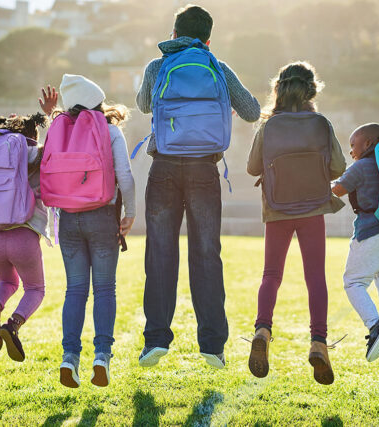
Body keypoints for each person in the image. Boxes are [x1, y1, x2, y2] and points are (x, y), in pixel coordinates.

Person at [135, 4, 261, 369]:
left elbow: (144, 105)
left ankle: (156, 340)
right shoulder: (218, 67)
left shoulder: (158, 66)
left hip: (164, 168)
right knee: (206, 254)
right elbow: (252, 111)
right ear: (208, 38)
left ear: (173, 34)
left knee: (160, 253)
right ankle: (212, 346)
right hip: (205, 170)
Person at [246, 61, 346, 384]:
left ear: (279, 89)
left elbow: (251, 167)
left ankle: (263, 329)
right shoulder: (321, 124)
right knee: (315, 277)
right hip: (313, 209)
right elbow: (338, 167)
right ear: (311, 90)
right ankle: (318, 342)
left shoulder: (269, 126)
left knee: (271, 274)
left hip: (277, 209)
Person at [39, 77, 136, 387]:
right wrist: (130, 212)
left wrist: (50, 114)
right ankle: (101, 357)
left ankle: (69, 358)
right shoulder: (109, 130)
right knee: (105, 289)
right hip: (102, 216)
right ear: (99, 100)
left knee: (75, 290)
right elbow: (125, 176)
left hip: (68, 219)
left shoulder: (59, 128)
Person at [332, 123, 379, 367]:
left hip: (371, 233)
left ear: (367, 144)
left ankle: (375, 326)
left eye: (353, 145)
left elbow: (338, 190)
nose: (351, 151)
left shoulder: (363, 166)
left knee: (353, 282)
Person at [0, 112, 50, 363]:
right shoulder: (34, 153)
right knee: (35, 288)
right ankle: (12, 325)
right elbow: (55, 145)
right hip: (24, 234)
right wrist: (50, 114)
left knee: (7, 281)